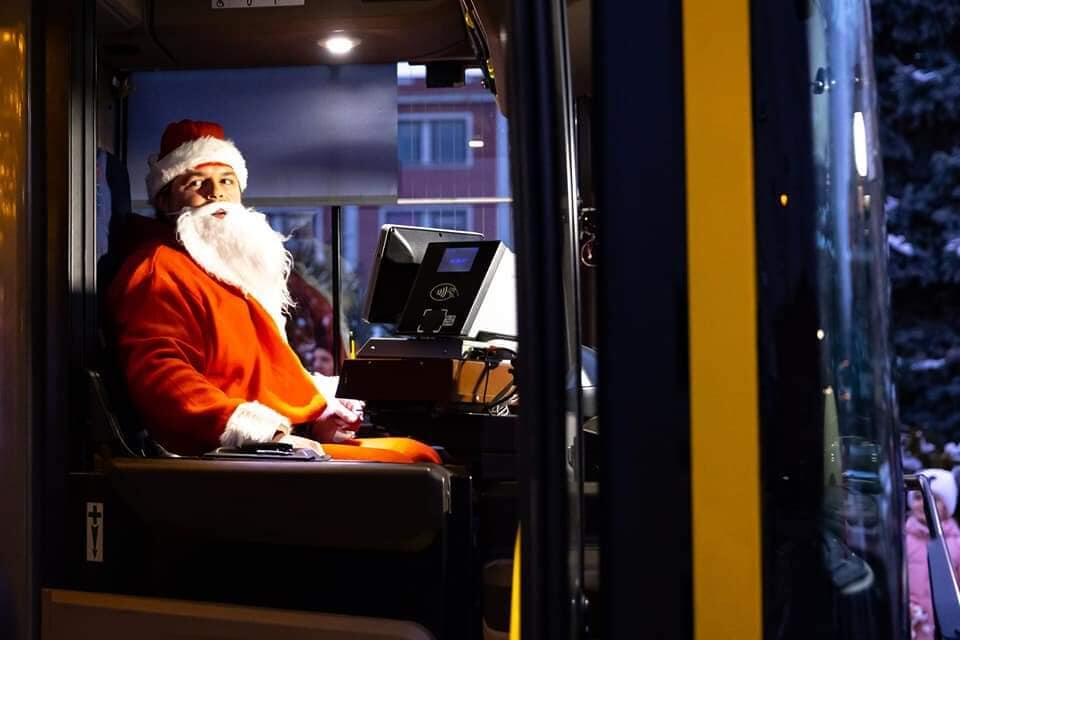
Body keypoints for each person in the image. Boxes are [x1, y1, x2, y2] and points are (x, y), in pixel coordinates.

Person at [106, 119, 439, 463]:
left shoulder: (222, 268)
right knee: (417, 461)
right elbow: (161, 376)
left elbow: (259, 371)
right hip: (223, 448)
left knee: (419, 451)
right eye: (196, 183)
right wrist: (267, 433)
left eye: (226, 181)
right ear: (164, 200)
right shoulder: (158, 270)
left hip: (265, 439)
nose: (216, 193)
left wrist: (319, 412)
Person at [905, 468, 960, 639]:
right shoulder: (901, 539)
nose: (922, 504)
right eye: (917, 498)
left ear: (947, 506)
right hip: (910, 626)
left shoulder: (958, 544)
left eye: (933, 499)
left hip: (945, 629)